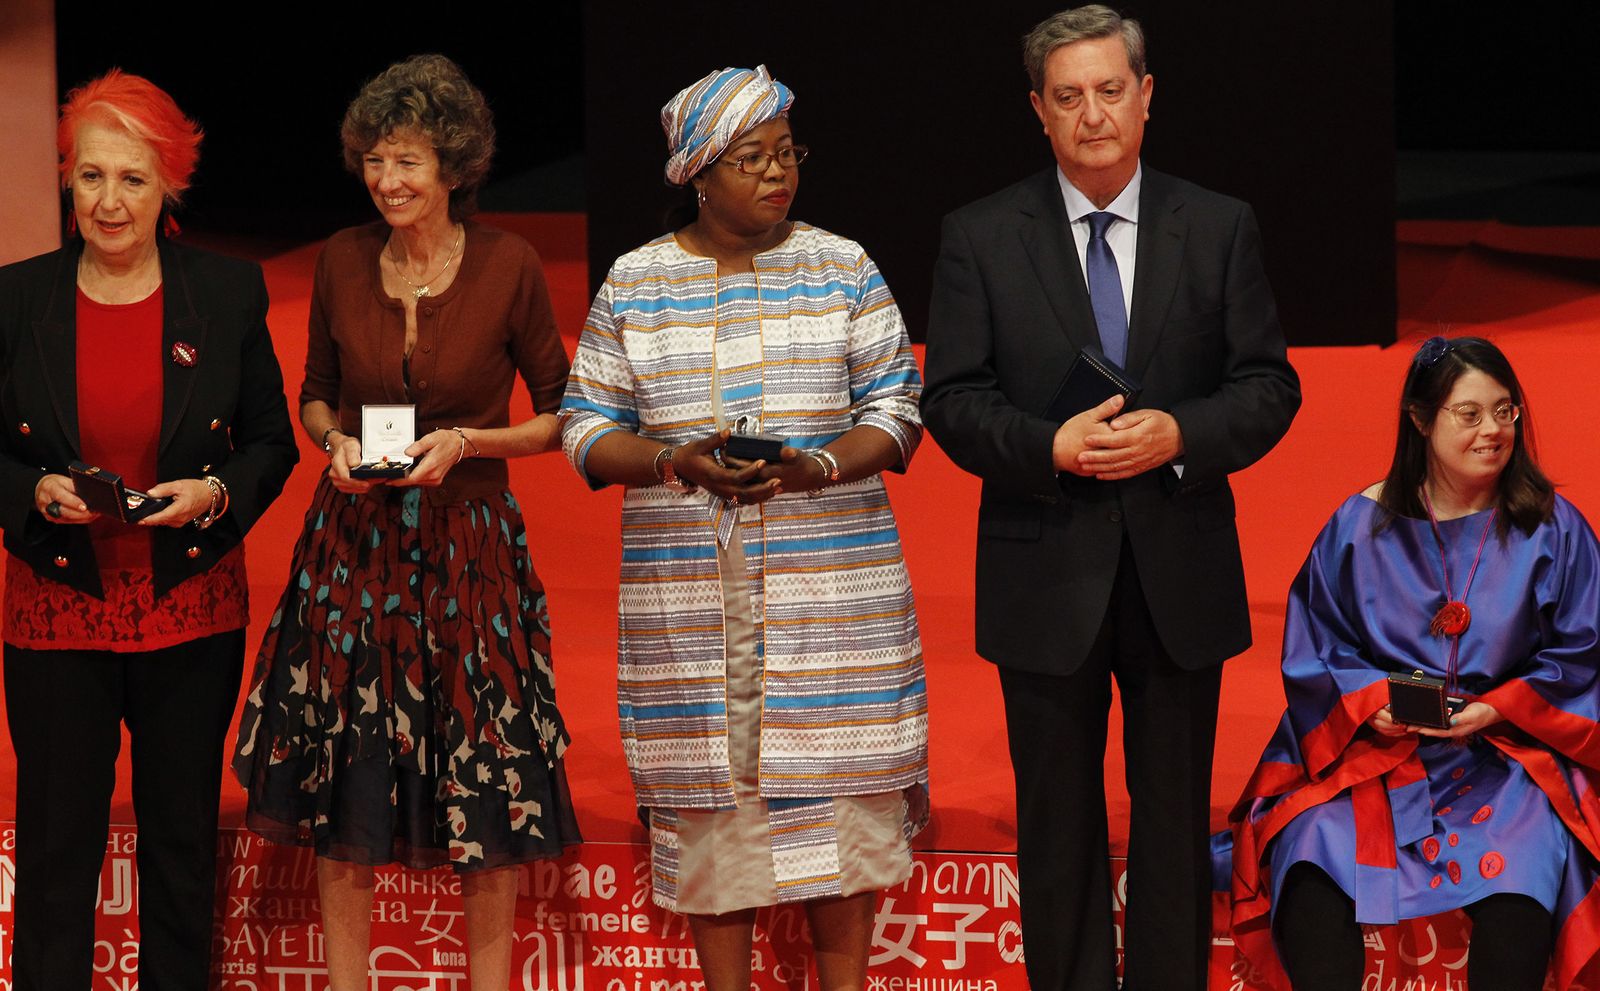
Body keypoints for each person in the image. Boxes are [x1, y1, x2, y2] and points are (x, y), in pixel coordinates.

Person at [920, 6, 1301, 990]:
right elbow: (952, 404)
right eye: (1067, 96)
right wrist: (1048, 443)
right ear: (1037, 114)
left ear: (1145, 96)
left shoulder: (1217, 225)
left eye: (1108, 90)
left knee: (1174, 826)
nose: (1091, 114)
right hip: (1042, 568)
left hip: (1177, 562)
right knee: (1058, 830)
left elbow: (1268, 386)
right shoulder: (979, 235)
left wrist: (1181, 434)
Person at [560, 65, 928, 991]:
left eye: (786, 154)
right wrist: (672, 462)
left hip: (833, 596)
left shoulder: (842, 265)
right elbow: (585, 424)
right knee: (713, 822)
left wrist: (817, 466)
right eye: (753, 158)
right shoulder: (638, 282)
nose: (778, 174)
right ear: (697, 171)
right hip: (689, 604)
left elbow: (897, 405)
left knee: (836, 810)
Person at [230, 54, 579, 991]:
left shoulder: (509, 264)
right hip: (352, 552)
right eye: (377, 159)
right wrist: (333, 443)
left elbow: (561, 415)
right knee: (347, 779)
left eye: (410, 162)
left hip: (472, 555)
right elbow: (314, 397)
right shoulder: (343, 259)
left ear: (454, 167)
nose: (389, 180)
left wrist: (469, 442)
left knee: (486, 783)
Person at [0, 69, 298, 990]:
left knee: (180, 852)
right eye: (91, 176)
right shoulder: (15, 299)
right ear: (66, 179)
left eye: (132, 178)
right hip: (55, 610)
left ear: (168, 181)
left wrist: (211, 494)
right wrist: (31, 487)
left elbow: (269, 444)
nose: (109, 200)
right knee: (56, 857)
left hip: (189, 606)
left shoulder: (228, 292)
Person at [1220, 336, 1600, 991]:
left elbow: (1584, 655)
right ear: (1420, 419)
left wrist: (1497, 706)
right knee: (1310, 861)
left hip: (1507, 756)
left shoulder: (1555, 529)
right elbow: (1320, 650)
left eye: (1506, 412)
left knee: (1524, 879)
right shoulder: (1358, 527)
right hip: (1372, 751)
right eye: (1470, 413)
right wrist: (1375, 702)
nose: (1493, 430)